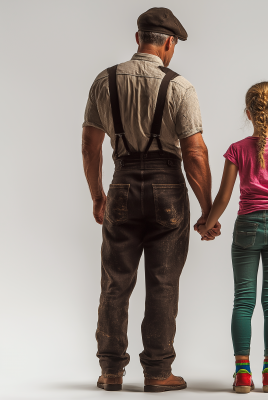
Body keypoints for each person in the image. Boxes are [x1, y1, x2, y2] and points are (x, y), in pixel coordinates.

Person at [81, 7, 221, 393]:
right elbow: (195, 154)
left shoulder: (104, 81)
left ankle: (111, 371)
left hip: (122, 183)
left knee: (115, 282)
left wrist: (98, 195)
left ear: (138, 38)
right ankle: (158, 373)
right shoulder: (180, 87)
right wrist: (208, 209)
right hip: (167, 189)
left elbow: (89, 146)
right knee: (163, 283)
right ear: (169, 43)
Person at [198, 82, 268, 393]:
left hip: (246, 227)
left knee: (242, 302)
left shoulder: (237, 150)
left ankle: (242, 374)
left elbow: (223, 197)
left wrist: (207, 225)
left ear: (249, 113)